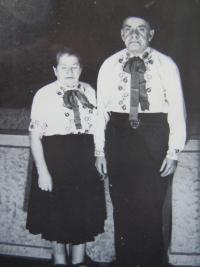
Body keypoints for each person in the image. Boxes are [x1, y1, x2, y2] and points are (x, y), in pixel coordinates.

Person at [95, 16, 186, 267]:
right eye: (129, 29)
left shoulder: (166, 65)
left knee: (151, 206)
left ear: (151, 34)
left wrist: (173, 151)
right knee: (122, 206)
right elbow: (101, 110)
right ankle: (125, 261)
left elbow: (177, 109)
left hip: (154, 135)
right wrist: (99, 150)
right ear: (122, 34)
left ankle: (151, 262)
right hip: (119, 135)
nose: (134, 34)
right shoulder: (109, 65)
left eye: (141, 29)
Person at [26, 47, 106, 267]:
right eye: (64, 68)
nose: (69, 72)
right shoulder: (44, 94)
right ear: (55, 70)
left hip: (84, 163)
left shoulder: (90, 91)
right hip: (55, 162)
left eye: (74, 67)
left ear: (81, 69)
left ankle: (79, 261)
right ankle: (60, 261)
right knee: (56, 220)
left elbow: (99, 128)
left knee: (82, 218)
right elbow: (35, 137)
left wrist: (100, 155)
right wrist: (43, 172)